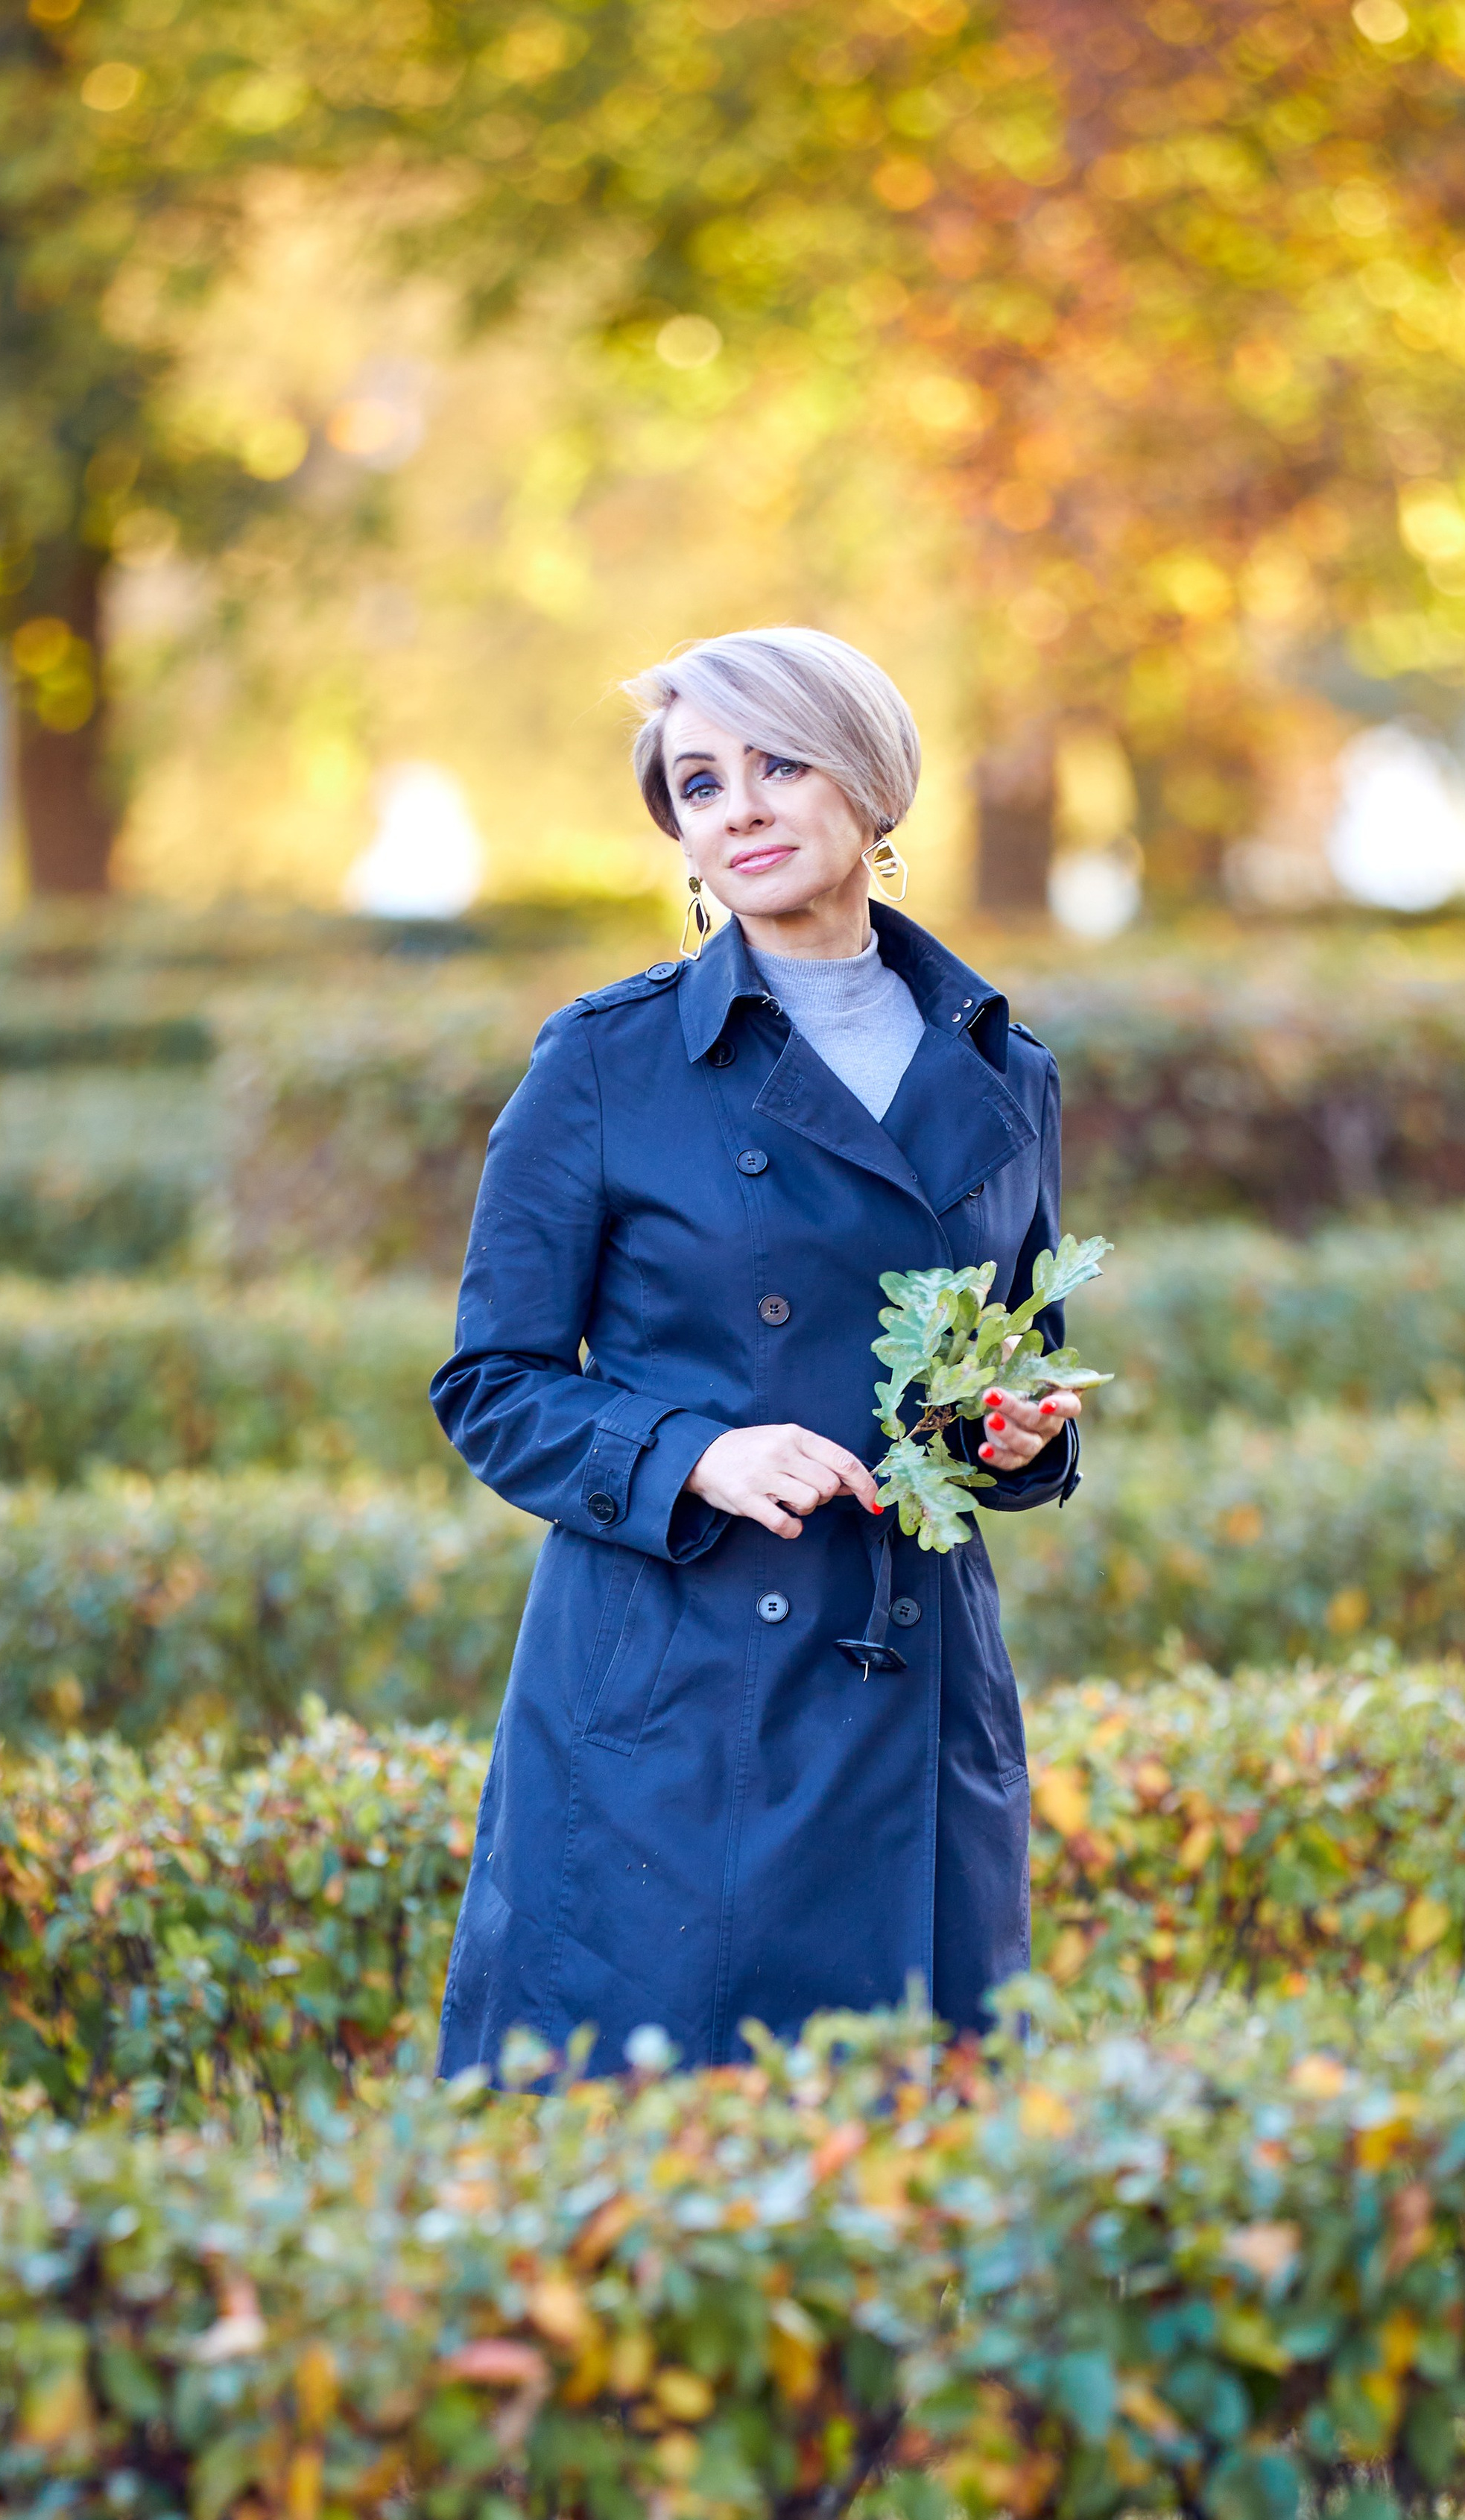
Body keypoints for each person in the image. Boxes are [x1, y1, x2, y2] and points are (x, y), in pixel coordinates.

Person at [431, 626, 1083, 2077]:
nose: (738, 808)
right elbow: (491, 1386)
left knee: (911, 2168)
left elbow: (1014, 1359)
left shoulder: (1000, 1067)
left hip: (913, 1670)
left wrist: (1014, 1432)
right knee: (658, 2172)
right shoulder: (604, 1062)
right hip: (681, 1688)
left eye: (777, 765)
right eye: (699, 781)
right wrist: (698, 1454)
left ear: (868, 785)